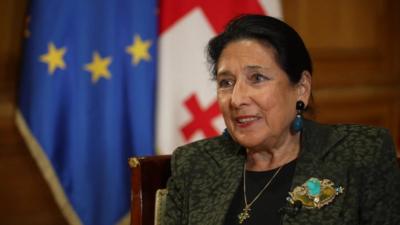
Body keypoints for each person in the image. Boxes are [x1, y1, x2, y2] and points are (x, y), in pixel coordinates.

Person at [162, 14, 400, 225]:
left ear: (301, 88)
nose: (237, 99)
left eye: (257, 78)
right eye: (226, 82)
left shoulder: (362, 152)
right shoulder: (193, 164)